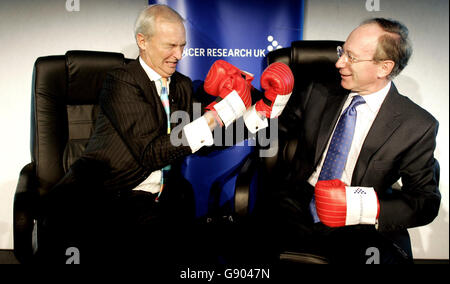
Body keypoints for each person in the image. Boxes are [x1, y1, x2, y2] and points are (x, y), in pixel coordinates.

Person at [38, 4, 294, 264]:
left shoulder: (181, 85)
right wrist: (219, 112)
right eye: (170, 46)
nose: (179, 54)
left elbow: (202, 142)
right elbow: (152, 153)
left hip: (155, 197)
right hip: (104, 192)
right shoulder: (120, 81)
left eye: (182, 46)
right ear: (143, 41)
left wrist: (257, 114)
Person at [266, 18, 441, 264]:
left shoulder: (416, 125)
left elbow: (425, 201)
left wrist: (360, 205)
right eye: (342, 52)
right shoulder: (319, 91)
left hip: (358, 222)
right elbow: (272, 126)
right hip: (297, 203)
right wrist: (257, 103)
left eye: (351, 57)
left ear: (384, 68)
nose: (339, 63)